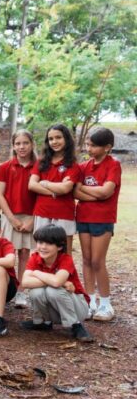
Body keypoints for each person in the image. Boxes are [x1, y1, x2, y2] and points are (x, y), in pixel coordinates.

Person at [75, 127, 121, 322]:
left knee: (97, 261)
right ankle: (90, 301)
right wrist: (96, 194)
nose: (89, 148)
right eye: (87, 144)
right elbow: (75, 192)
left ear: (107, 147)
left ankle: (105, 304)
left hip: (103, 219)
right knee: (86, 260)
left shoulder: (114, 165)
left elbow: (107, 192)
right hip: (83, 216)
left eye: (93, 145)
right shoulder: (84, 166)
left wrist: (87, 191)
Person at [20, 225, 93, 342]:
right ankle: (43, 322)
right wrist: (58, 282)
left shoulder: (65, 259)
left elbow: (56, 282)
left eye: (48, 243)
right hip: (56, 308)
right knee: (36, 291)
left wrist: (37, 273)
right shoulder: (35, 257)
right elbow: (25, 282)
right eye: (40, 242)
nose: (43, 247)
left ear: (59, 246)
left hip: (78, 307)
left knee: (53, 290)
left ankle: (75, 325)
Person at [0, 130, 36, 309]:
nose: (21, 147)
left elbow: (41, 198)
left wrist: (32, 220)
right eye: (18, 143)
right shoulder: (5, 167)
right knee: (8, 254)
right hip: (10, 216)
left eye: (25, 143)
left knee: (25, 254)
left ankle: (21, 291)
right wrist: (11, 219)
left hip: (31, 216)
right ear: (13, 146)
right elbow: (0, 195)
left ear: (32, 144)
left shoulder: (38, 166)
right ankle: (6, 289)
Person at [28, 124, 80, 255]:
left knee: (64, 254)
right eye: (51, 139)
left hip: (63, 212)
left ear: (66, 139)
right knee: (40, 252)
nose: (54, 142)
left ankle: (63, 276)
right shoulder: (41, 161)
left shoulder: (72, 164)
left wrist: (44, 183)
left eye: (58, 137)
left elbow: (65, 189)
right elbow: (32, 185)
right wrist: (55, 191)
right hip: (42, 211)